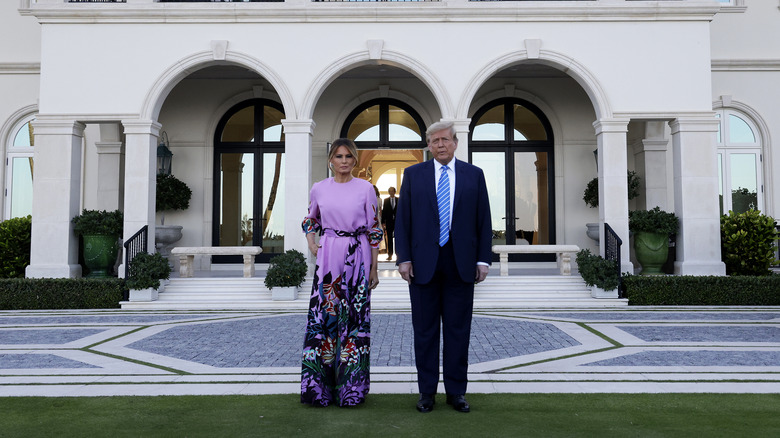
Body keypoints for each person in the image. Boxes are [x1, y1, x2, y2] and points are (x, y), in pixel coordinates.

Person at [394, 121, 492, 414]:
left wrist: (483, 259)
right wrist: (404, 258)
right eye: (434, 141)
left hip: (461, 264)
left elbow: (484, 220)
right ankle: (426, 393)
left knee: (457, 331)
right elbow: (403, 222)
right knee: (424, 332)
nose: (440, 145)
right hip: (423, 265)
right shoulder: (414, 175)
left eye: (445, 140)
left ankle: (456, 392)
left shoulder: (474, 175)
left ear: (455, 142)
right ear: (428, 145)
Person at [300, 138, 383, 407]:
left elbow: (374, 230)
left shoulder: (366, 189)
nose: (344, 161)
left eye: (348, 156)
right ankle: (318, 390)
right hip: (328, 257)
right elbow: (310, 220)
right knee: (325, 320)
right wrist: (312, 243)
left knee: (355, 323)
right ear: (330, 160)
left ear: (355, 160)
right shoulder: (319, 189)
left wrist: (374, 267)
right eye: (338, 156)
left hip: (357, 256)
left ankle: (351, 390)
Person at [381, 186, 397, 261]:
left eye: (392, 191)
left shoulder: (399, 200)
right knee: (389, 238)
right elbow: (384, 211)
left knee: (398, 238)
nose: (391, 192)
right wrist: (383, 221)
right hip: (389, 222)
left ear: (394, 192)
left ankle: (398, 255)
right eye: (390, 191)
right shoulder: (386, 200)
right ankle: (390, 255)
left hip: (397, 222)